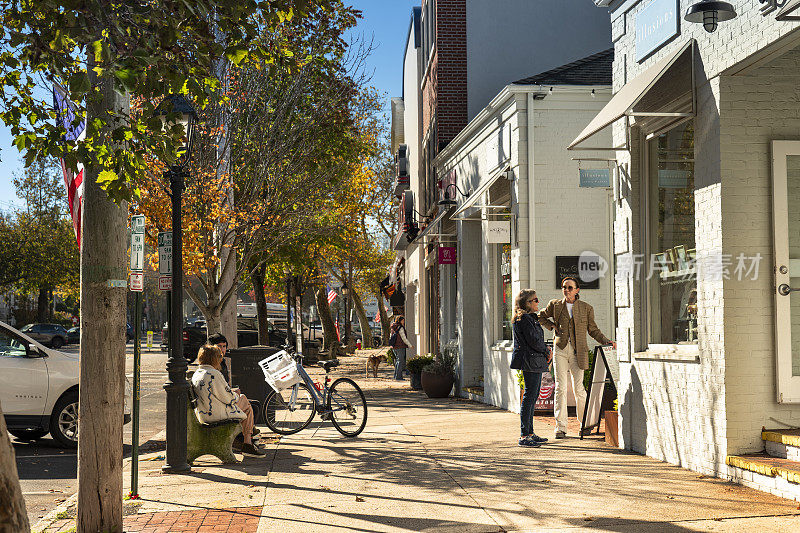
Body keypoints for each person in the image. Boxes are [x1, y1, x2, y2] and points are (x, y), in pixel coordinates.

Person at [538, 276, 615, 439]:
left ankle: (584, 424)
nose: (566, 290)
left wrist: (606, 341)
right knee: (560, 388)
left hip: (578, 351)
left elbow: (593, 330)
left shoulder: (586, 308)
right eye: (564, 287)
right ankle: (561, 427)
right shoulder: (555, 305)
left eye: (570, 287)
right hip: (560, 348)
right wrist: (551, 326)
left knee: (579, 388)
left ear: (577, 290)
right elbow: (541, 316)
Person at [191, 344, 265, 457]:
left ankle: (247, 439)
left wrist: (232, 393)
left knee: (247, 404)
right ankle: (247, 441)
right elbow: (228, 398)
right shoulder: (213, 374)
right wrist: (235, 394)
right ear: (214, 359)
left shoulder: (197, 373)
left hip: (204, 412)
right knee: (244, 401)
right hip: (215, 414)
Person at [511, 289, 552, 447]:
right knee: (529, 397)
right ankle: (524, 435)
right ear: (527, 303)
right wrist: (546, 350)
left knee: (532, 396)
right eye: (535, 300)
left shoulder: (526, 318)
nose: (538, 302)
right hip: (531, 360)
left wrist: (544, 350)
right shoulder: (526, 319)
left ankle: (529, 432)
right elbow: (534, 341)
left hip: (532, 360)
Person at [207, 332, 260, 441]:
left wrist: (231, 391)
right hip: (218, 405)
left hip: (223, 400)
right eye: (219, 346)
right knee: (252, 407)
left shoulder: (222, 362)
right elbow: (217, 390)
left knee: (255, 405)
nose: (222, 349)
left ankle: (245, 437)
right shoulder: (212, 366)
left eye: (224, 346)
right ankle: (243, 439)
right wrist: (232, 392)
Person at [390, 316, 411, 380]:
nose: (404, 322)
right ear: (400, 321)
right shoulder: (400, 328)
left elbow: (391, 337)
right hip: (400, 346)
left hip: (394, 347)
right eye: (403, 320)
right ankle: (398, 377)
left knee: (397, 361)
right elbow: (403, 338)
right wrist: (409, 345)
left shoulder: (393, 327)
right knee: (400, 361)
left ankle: (396, 376)